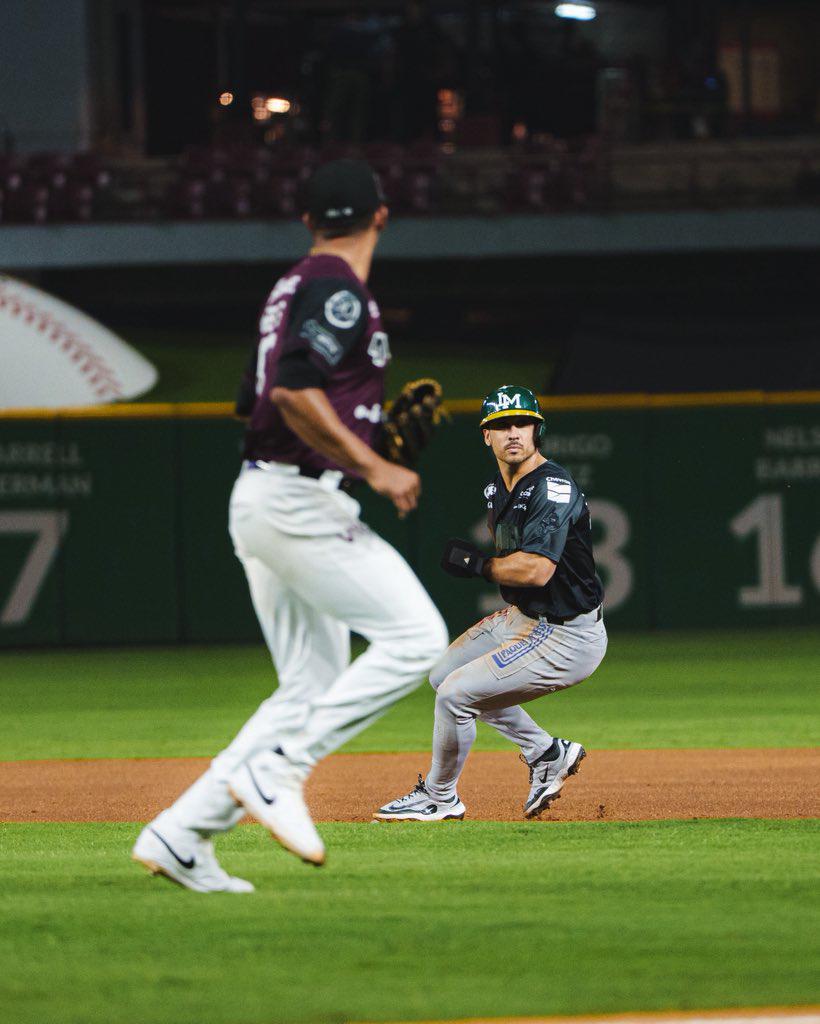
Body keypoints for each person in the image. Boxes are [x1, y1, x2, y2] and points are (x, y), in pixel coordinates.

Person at [133, 159, 448, 892]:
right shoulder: (338, 289)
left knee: (308, 682)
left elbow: (255, 401)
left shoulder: (292, 285)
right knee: (417, 638)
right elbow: (291, 391)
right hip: (297, 504)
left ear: (307, 220)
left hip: (271, 495)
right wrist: (374, 465)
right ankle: (281, 770)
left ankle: (182, 833)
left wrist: (367, 440)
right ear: (381, 214)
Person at [374, 384, 606, 823]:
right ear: (487, 437)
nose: (512, 432)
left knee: (456, 697)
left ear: (537, 431)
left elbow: (537, 570)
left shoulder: (551, 486)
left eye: (522, 423)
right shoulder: (498, 487)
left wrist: (480, 565)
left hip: (567, 635)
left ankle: (440, 797)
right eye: (501, 425)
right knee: (442, 676)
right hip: (527, 618)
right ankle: (546, 752)